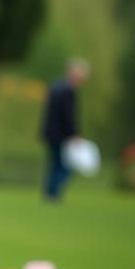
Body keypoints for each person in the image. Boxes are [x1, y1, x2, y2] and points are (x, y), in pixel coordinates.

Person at [41, 57, 90, 201]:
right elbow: (68, 116)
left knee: (55, 163)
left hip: (50, 133)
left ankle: (50, 193)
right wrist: (74, 134)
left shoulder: (56, 86)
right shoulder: (68, 91)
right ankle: (53, 193)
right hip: (62, 135)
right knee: (64, 166)